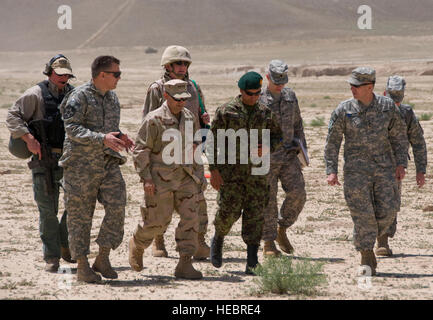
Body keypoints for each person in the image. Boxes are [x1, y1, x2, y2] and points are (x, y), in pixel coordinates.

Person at [324, 67, 409, 275]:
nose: (352, 89)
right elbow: (332, 142)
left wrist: (401, 164)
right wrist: (331, 170)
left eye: (356, 86)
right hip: (356, 172)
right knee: (363, 214)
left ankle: (371, 238)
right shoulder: (344, 109)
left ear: (369, 87)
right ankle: (365, 253)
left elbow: (399, 137)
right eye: (351, 85)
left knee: (388, 211)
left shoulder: (388, 107)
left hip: (384, 169)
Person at [59, 55, 134, 283]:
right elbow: (72, 129)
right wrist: (102, 138)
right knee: (80, 217)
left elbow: (109, 128)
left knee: (117, 205)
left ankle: (103, 257)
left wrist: (120, 137)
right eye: (116, 74)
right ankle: (82, 266)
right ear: (102, 75)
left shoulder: (112, 98)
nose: (119, 78)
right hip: (80, 166)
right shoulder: (79, 96)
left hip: (108, 163)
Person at [207, 71, 283, 274]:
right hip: (231, 175)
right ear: (241, 91)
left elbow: (278, 137)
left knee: (255, 216)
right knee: (227, 212)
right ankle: (218, 238)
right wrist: (214, 170)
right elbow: (212, 142)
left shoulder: (265, 113)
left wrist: (267, 147)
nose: (254, 97)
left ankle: (252, 260)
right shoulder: (226, 111)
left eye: (258, 93)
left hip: (257, 175)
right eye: (250, 93)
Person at [5, 54, 75, 273]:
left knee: (75, 203)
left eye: (66, 75)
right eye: (59, 74)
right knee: (47, 209)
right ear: (49, 73)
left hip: (69, 159)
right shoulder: (35, 95)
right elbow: (12, 116)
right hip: (43, 159)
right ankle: (52, 256)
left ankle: (65, 244)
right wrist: (28, 138)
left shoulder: (74, 95)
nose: (63, 78)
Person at [129, 79, 203, 280]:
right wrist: (146, 178)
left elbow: (196, 143)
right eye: (177, 99)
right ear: (166, 96)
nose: (181, 102)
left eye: (184, 99)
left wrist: (198, 173)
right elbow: (140, 150)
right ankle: (137, 244)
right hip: (160, 179)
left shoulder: (188, 117)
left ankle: (185, 263)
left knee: (190, 218)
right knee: (156, 223)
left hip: (186, 177)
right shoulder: (154, 119)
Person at [142, 45, 210, 260]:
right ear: (168, 66)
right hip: (165, 155)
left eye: (185, 63)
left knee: (197, 198)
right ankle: (158, 239)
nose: (182, 67)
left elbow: (199, 115)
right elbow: (147, 122)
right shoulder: (157, 89)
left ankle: (198, 241)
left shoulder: (193, 87)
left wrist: (204, 123)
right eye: (178, 63)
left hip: (192, 153)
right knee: (163, 201)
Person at [259, 60, 307, 257]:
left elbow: (298, 124)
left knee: (298, 193)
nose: (280, 85)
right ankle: (268, 242)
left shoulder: (290, 96)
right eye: (276, 81)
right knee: (268, 200)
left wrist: (302, 150)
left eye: (283, 81)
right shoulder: (258, 98)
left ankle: (281, 228)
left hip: (288, 155)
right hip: (265, 158)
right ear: (267, 77)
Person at [377, 75, 427, 256]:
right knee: (370, 203)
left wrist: (420, 171)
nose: (396, 101)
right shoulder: (372, 110)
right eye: (392, 96)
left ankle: (383, 240)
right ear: (384, 93)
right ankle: (374, 242)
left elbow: (418, 143)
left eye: (399, 97)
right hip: (369, 165)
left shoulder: (406, 114)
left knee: (390, 203)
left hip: (395, 167)